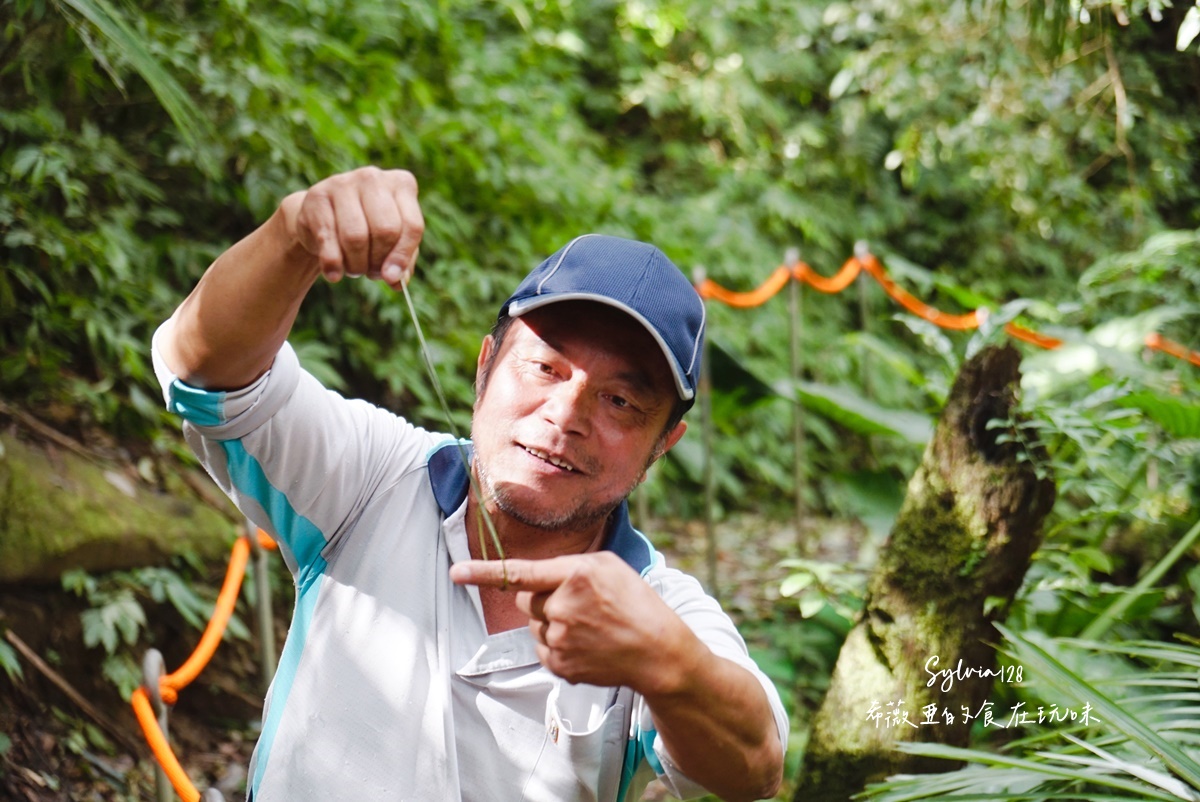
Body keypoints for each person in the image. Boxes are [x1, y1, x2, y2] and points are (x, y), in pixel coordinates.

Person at [152, 167, 787, 801]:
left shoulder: (653, 605)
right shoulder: (375, 479)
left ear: (662, 446)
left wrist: (667, 664)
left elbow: (755, 764)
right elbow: (206, 378)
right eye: (543, 366)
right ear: (486, 366)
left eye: (620, 401)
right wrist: (293, 235)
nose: (566, 415)